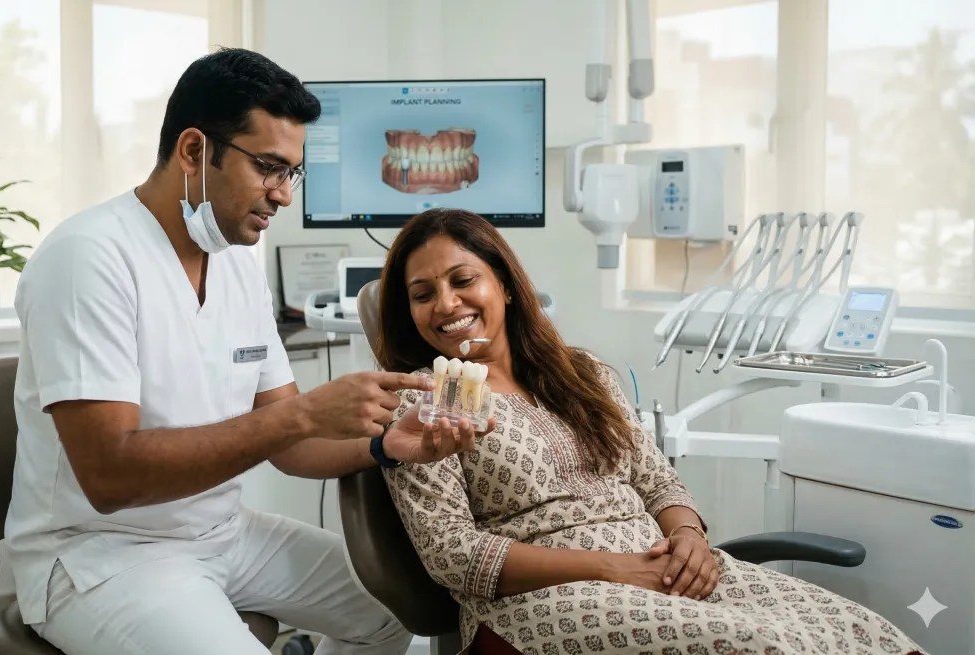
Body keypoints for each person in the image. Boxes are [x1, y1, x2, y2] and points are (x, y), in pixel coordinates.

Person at [3, 49, 490, 654]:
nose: (283, 195)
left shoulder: (236, 266)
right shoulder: (89, 258)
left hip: (223, 533)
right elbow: (109, 477)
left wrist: (384, 445)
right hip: (100, 553)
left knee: (399, 612)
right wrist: (304, 414)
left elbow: (291, 446)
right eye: (269, 168)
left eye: (293, 174)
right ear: (193, 150)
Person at [372, 208, 926, 654]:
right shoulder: (431, 400)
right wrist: (615, 569)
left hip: (661, 568)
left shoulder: (581, 374)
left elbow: (657, 481)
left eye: (463, 280)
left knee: (858, 631)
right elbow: (453, 554)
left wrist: (690, 540)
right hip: (545, 599)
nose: (446, 304)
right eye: (423, 295)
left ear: (506, 285)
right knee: (757, 645)